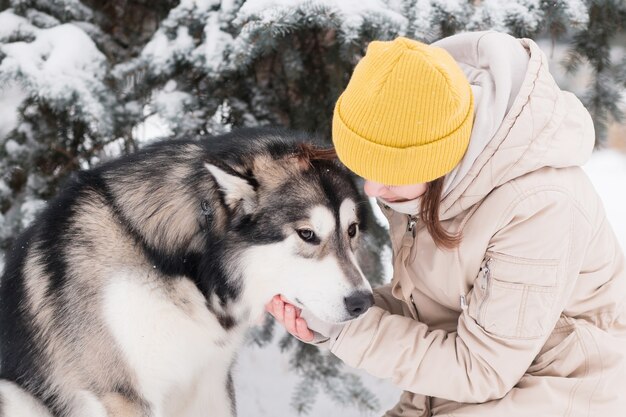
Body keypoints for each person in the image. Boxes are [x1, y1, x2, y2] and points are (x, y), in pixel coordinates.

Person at [266, 31, 626, 416]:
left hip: (560, 390)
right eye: (364, 169)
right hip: (467, 387)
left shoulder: (539, 207)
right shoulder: (427, 175)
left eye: (388, 171)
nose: (372, 187)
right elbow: (436, 308)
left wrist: (347, 330)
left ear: (439, 158)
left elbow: (482, 370)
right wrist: (331, 310)